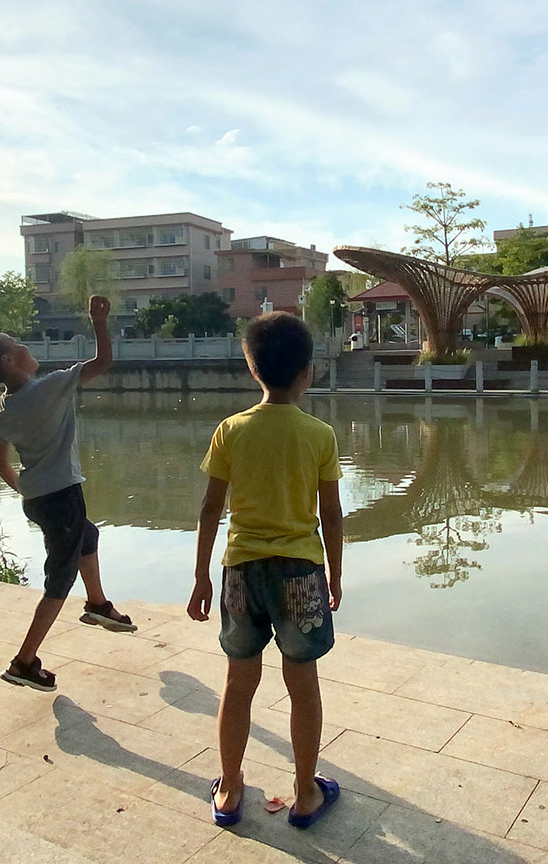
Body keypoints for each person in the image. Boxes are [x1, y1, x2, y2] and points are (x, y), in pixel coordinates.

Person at [187, 312, 344, 829]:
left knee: (238, 682)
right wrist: (335, 575)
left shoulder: (231, 430)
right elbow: (331, 514)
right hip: (301, 572)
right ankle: (304, 794)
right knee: (303, 683)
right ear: (308, 371)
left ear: (251, 366)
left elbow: (211, 509)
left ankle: (230, 789)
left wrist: (201, 576)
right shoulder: (318, 435)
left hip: (241, 571)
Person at [0, 295, 135, 694]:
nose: (23, 346)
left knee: (87, 536)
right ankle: (24, 662)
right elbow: (102, 362)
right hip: (62, 496)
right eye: (14, 344)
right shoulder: (51, 388)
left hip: (37, 500)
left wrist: (28, 489)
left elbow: (3, 465)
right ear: (8, 361)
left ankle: (98, 605)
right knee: (59, 580)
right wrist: (99, 321)